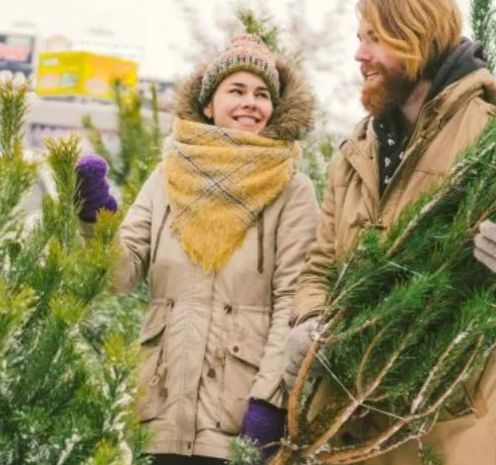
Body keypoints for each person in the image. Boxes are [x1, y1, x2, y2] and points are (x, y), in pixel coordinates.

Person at [281, 1, 496, 464]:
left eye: (373, 38)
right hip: (345, 431)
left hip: (445, 433)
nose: (359, 55)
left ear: (415, 36)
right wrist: (309, 322)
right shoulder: (356, 151)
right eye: (358, 38)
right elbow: (321, 265)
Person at [76, 34, 319, 465]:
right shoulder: (167, 177)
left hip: (238, 418)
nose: (251, 103)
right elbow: (120, 275)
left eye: (262, 94)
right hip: (159, 413)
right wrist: (96, 221)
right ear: (208, 103)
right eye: (237, 90)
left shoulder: (292, 190)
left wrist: (268, 400)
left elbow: (293, 301)